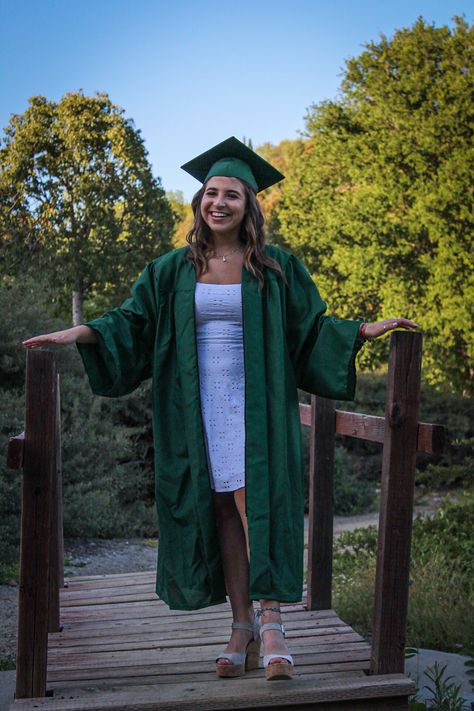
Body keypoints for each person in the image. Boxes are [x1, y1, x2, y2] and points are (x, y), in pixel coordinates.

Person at [23, 136, 418, 681]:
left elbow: (311, 330)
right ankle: (241, 625)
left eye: (232, 194)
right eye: (211, 193)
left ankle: (273, 620)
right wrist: (78, 332)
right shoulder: (171, 269)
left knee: (256, 503)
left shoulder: (275, 268)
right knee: (223, 513)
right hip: (195, 408)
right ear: (199, 202)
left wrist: (364, 331)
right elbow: (131, 323)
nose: (219, 203)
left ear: (249, 205)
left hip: (254, 406)